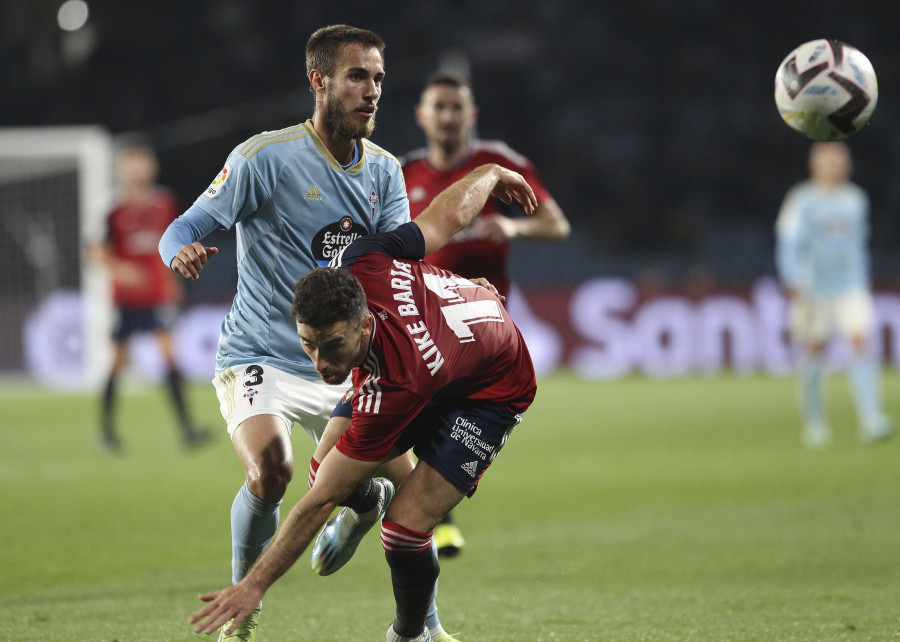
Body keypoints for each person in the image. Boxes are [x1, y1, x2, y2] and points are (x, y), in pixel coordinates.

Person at [159, 25, 452, 641]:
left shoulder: (384, 172)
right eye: (356, 76)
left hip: (346, 364)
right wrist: (180, 251)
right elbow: (185, 225)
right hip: (261, 352)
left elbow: (394, 271)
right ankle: (243, 621)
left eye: (377, 78)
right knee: (271, 471)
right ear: (318, 80)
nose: (371, 91)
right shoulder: (263, 158)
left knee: (415, 492)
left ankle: (422, 628)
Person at [189, 162, 538, 642]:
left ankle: (410, 634)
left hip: (491, 387)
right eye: (308, 344)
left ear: (363, 324)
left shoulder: (396, 385)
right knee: (326, 462)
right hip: (452, 342)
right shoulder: (362, 258)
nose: (319, 364)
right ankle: (368, 503)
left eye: (332, 347)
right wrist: (491, 174)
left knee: (404, 529)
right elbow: (442, 219)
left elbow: (316, 505)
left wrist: (254, 586)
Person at [402, 71, 570, 555]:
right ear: (422, 115)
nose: (448, 116)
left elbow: (556, 224)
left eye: (457, 108)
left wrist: (514, 230)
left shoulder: (498, 164)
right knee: (414, 411)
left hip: (484, 324)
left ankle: (426, 510)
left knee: (448, 418)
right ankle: (435, 519)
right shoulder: (402, 171)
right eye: (439, 107)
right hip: (423, 319)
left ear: (471, 115)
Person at [90, 144, 209, 452]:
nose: (138, 170)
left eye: (143, 163)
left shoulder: (164, 203)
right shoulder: (113, 210)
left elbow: (174, 242)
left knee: (171, 358)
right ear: (123, 169)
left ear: (152, 168)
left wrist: (173, 282)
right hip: (126, 299)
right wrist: (122, 270)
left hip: (157, 296)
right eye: (133, 164)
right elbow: (96, 252)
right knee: (117, 362)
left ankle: (188, 429)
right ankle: (105, 433)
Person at [775, 141, 892, 448]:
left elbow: (859, 245)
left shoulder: (856, 199)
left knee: (861, 343)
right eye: (829, 161)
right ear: (815, 165)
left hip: (851, 286)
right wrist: (793, 280)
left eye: (840, 161)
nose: (836, 166)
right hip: (814, 288)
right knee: (814, 352)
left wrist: (863, 280)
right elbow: (788, 243)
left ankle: (871, 418)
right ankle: (814, 422)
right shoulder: (801, 199)